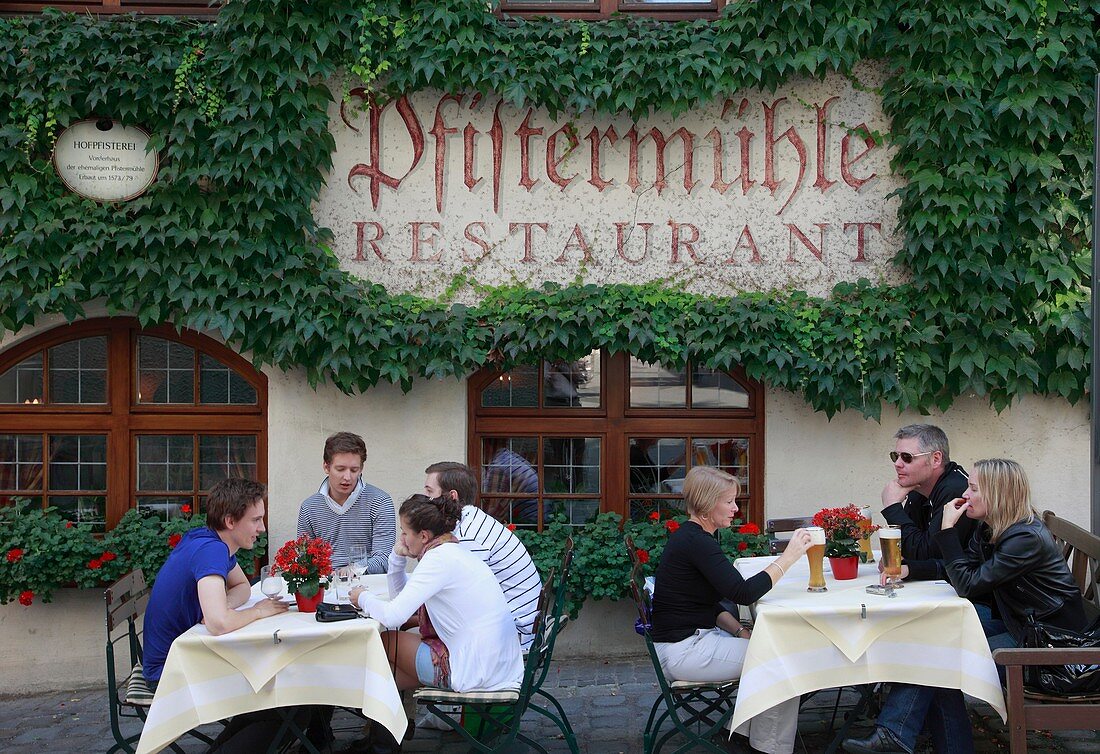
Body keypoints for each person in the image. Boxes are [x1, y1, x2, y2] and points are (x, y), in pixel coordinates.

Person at [843, 459, 1088, 754]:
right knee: (934, 645)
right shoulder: (993, 527)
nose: (966, 495)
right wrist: (911, 570)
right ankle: (901, 735)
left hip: (1053, 649)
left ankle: (896, 734)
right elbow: (960, 570)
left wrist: (947, 531)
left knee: (941, 656)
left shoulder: (1024, 538)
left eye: (973, 489)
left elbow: (968, 584)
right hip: (1022, 627)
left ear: (997, 494)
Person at [650, 466, 812, 754]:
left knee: (769, 648)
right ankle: (767, 747)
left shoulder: (694, 537)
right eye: (729, 502)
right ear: (707, 504)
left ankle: (743, 732)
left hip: (688, 640)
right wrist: (789, 557)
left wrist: (740, 630)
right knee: (785, 660)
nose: (736, 509)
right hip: (684, 650)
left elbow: (710, 605)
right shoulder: (697, 543)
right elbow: (744, 592)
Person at [142, 478, 311, 753]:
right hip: (169, 672)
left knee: (278, 693)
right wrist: (256, 612)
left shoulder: (207, 538)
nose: (262, 528)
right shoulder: (211, 550)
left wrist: (225, 606)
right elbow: (219, 624)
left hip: (185, 658)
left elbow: (242, 586)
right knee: (293, 702)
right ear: (230, 521)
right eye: (255, 520)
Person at [349, 494, 524, 754]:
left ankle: (381, 737)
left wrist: (361, 596)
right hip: (493, 661)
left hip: (477, 669)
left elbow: (393, 616)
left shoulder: (438, 561)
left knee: (386, 642)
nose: (402, 538)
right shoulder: (452, 551)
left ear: (423, 535)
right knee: (384, 671)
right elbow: (402, 602)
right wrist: (397, 558)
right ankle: (384, 740)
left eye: (404, 532)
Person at [425, 461, 542, 650]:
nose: (425, 500)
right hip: (515, 628)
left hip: (511, 640)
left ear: (451, 496)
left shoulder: (469, 537)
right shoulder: (472, 522)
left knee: (392, 641)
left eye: (429, 492)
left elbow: (461, 601)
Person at [879, 424, 975, 582]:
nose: (897, 464)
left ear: (936, 459)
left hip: (977, 600)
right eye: (895, 456)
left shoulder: (956, 491)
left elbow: (930, 554)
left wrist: (892, 507)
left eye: (907, 457)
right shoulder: (920, 486)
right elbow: (910, 548)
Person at [297, 431, 396, 576]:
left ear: (361, 469)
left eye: (354, 470)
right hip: (325, 584)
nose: (347, 477)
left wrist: (352, 571)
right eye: (340, 469)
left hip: (367, 584)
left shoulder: (380, 502)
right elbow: (304, 558)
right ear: (326, 467)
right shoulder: (309, 507)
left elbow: (384, 558)